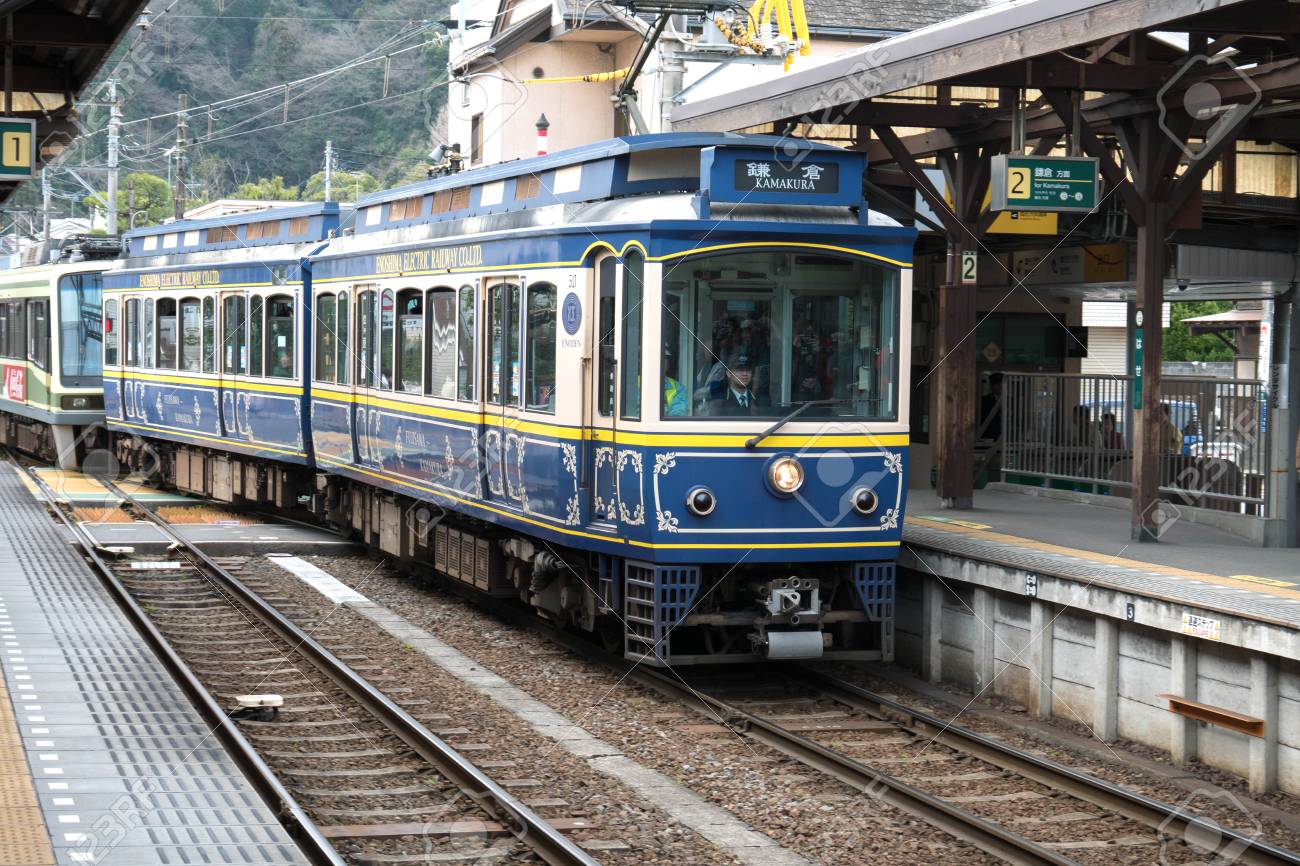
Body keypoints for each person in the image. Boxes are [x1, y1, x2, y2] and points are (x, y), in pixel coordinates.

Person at [979, 373, 1004, 441]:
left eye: (1001, 383)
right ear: (991, 386)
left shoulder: (1011, 400)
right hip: (989, 438)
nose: (1000, 386)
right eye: (996, 384)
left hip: (1006, 438)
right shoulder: (984, 401)